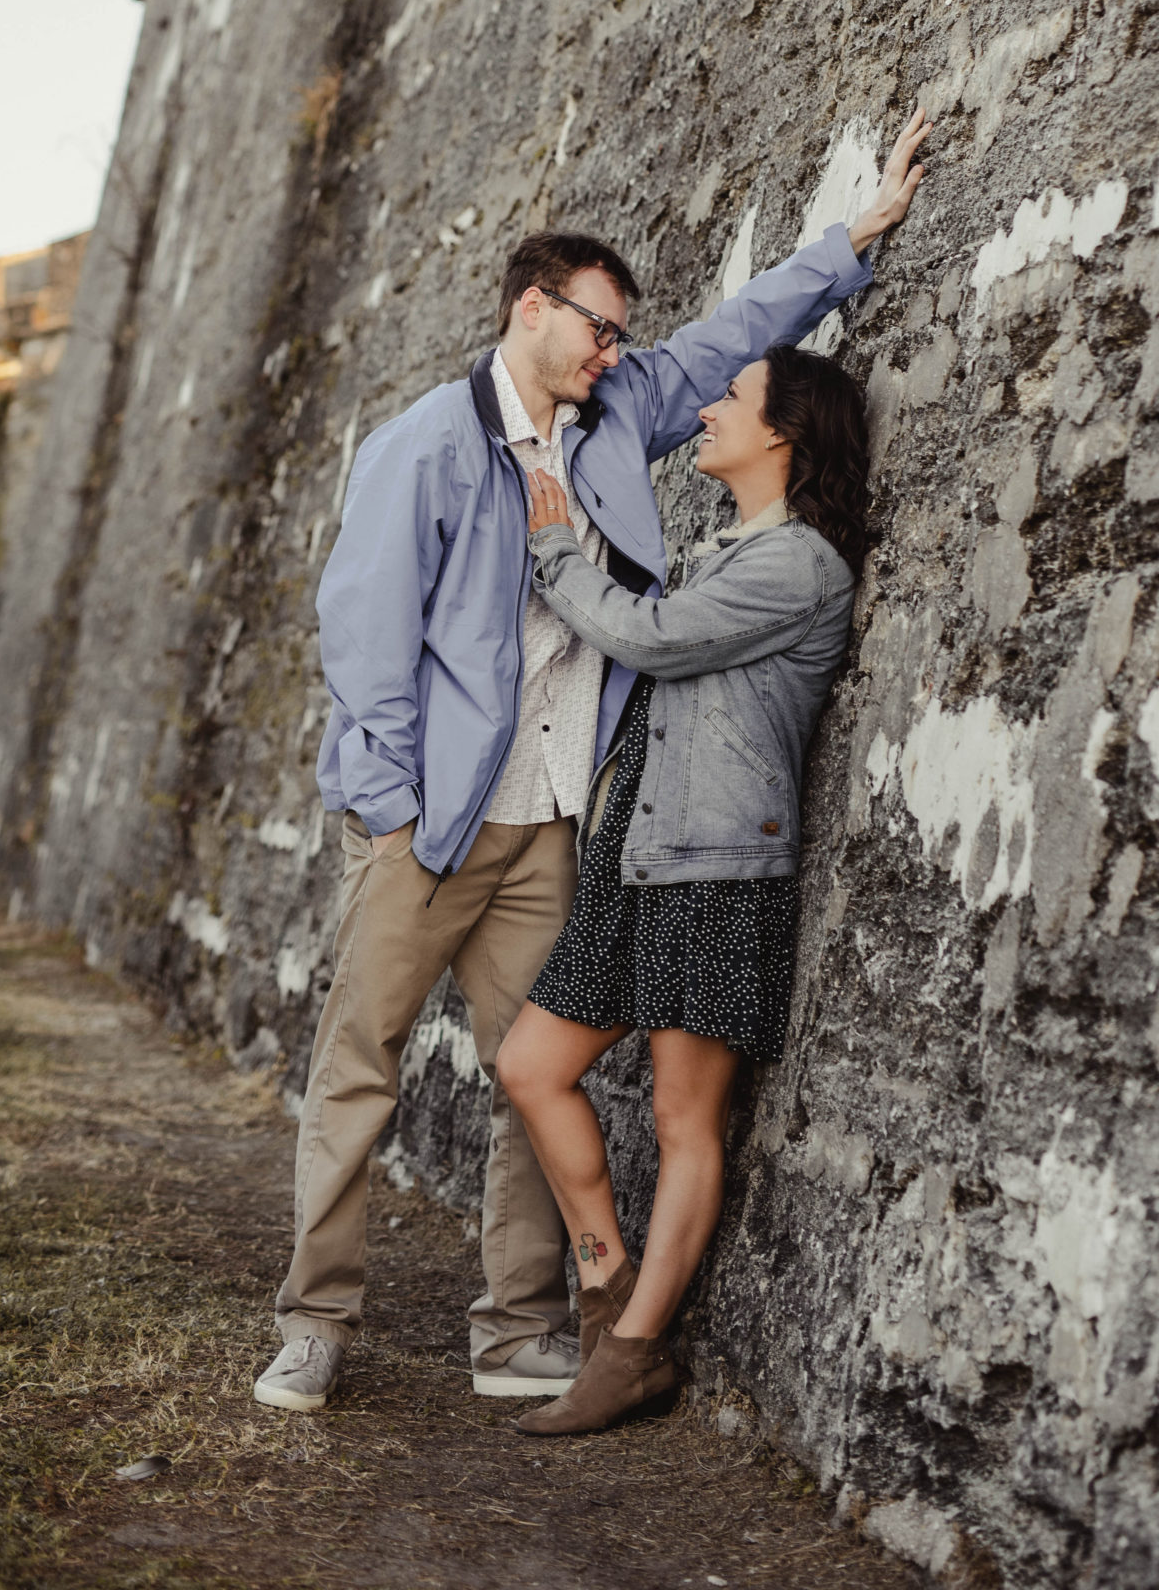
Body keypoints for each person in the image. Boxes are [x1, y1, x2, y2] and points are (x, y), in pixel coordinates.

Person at [253, 108, 932, 1415]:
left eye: (622, 335)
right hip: (429, 824)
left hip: (556, 814)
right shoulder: (422, 449)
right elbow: (364, 640)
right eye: (598, 326)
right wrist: (389, 807)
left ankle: (516, 1330)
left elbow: (738, 337)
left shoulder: (618, 416)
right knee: (359, 1066)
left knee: (530, 1077)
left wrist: (849, 240)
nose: (617, 350)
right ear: (529, 309)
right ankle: (313, 1324)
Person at [495, 247, 925, 1436]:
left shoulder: (793, 564)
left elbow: (652, 638)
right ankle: (605, 1276)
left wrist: (551, 548)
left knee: (688, 1123)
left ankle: (631, 1354)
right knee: (532, 1065)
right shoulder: (735, 549)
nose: (706, 408)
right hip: (643, 858)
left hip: (718, 871)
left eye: (728, 400)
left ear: (780, 436)